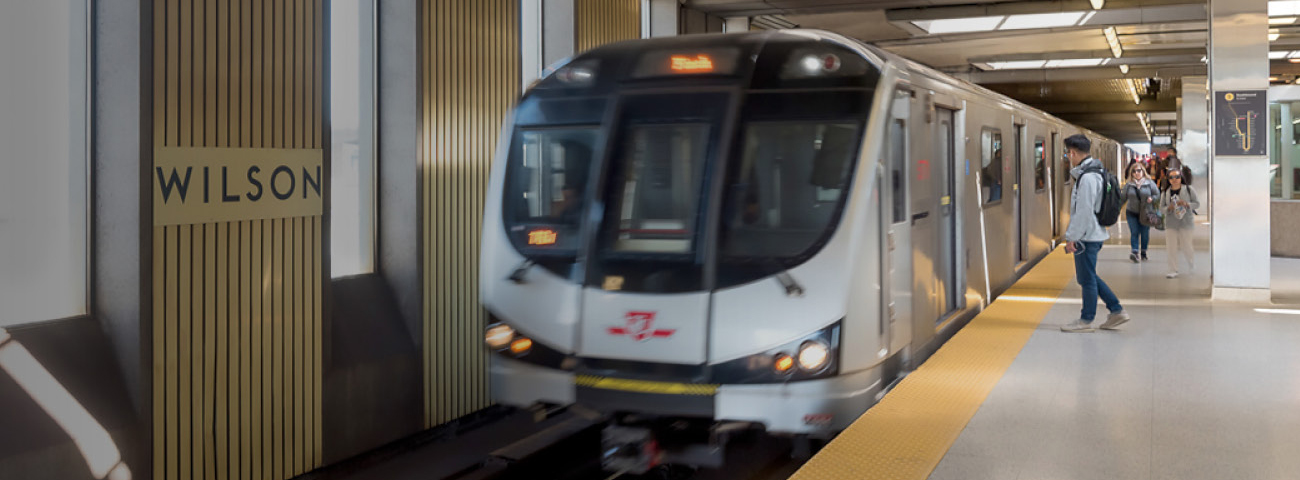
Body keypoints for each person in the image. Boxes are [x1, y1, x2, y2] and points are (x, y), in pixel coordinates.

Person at [1060, 134, 1130, 333]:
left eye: (1068, 154)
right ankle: (1116, 310)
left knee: (1087, 279)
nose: (1068, 157)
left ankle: (1086, 320)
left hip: (1087, 236)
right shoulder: (1094, 172)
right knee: (1088, 276)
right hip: (1093, 233)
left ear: (1073, 153)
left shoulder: (1088, 178)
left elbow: (1083, 211)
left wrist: (1072, 238)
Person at [1160, 170, 1200, 278]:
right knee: (1171, 248)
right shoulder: (1165, 192)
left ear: (1181, 177)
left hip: (1186, 222)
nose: (1174, 179)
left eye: (1177, 177)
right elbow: (1161, 209)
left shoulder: (1189, 189)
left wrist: (1187, 204)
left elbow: (1197, 204)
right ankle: (1173, 269)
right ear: (1168, 180)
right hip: (1171, 223)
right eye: (1171, 177)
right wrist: (1169, 208)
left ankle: (1191, 263)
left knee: (1186, 246)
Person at [1123, 162, 1159, 263]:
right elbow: (1123, 197)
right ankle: (1134, 252)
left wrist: (1152, 199)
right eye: (1134, 171)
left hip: (1146, 213)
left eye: (1139, 171)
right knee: (1134, 232)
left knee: (1144, 233)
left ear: (1143, 171)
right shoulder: (1129, 185)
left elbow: (1157, 194)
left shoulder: (1149, 183)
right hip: (1131, 212)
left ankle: (1143, 251)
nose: (1136, 173)